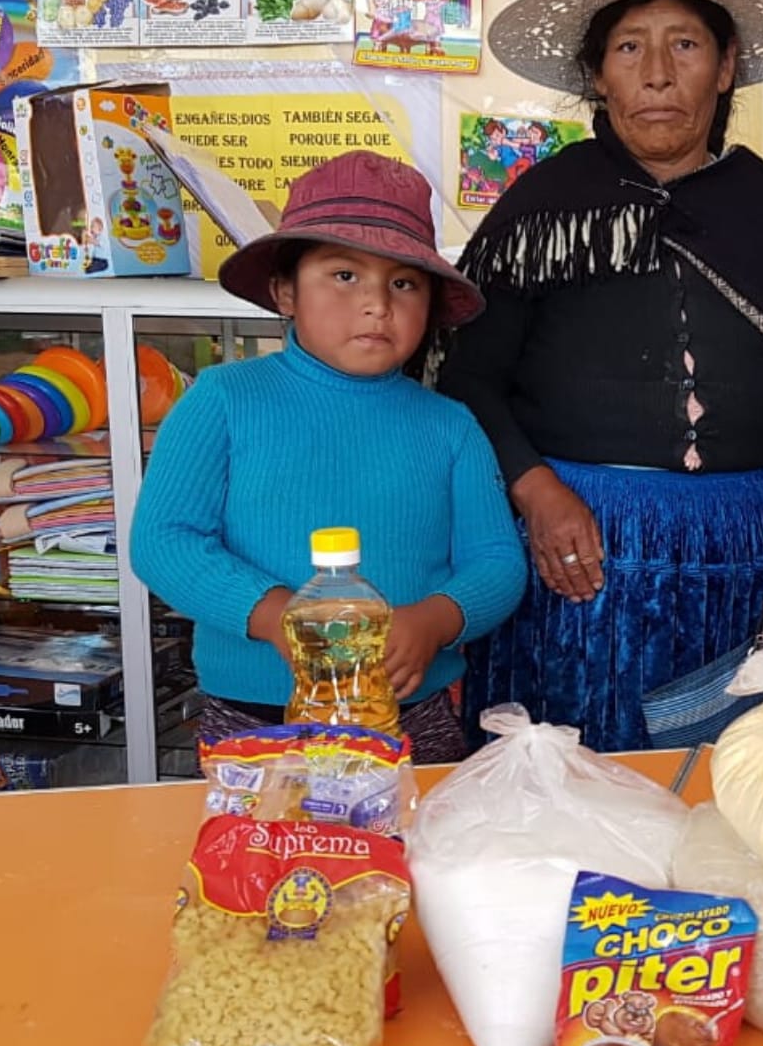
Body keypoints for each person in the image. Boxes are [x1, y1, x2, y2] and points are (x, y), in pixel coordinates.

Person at [447, 0, 763, 751]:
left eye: (685, 44)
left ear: (726, 66)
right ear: (596, 74)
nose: (656, 73)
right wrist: (536, 493)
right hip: (577, 559)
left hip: (750, 563)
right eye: (629, 47)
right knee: (575, 789)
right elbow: (467, 379)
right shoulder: (543, 207)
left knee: (730, 789)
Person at [132, 151, 527, 763]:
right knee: (260, 856)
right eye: (344, 275)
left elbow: (497, 562)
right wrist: (277, 618)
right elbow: (165, 541)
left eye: (403, 283)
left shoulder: (450, 426)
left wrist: (437, 619)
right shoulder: (224, 400)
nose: (377, 303)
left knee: (405, 854)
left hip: (410, 713)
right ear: (285, 291)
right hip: (253, 714)